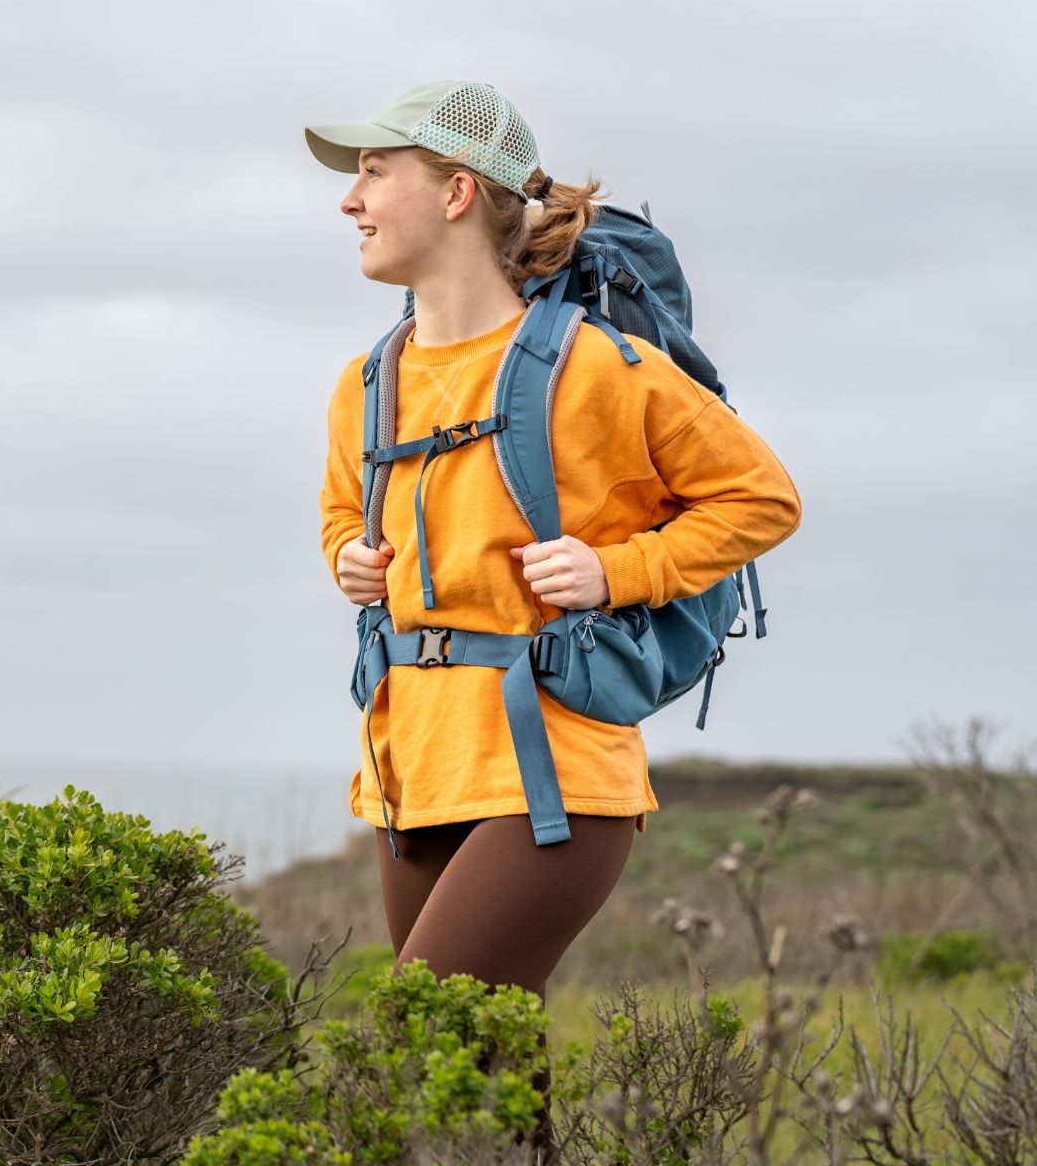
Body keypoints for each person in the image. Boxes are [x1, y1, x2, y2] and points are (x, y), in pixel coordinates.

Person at [308, 80, 801, 1155]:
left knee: (417, 1049)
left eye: (373, 171)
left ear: (453, 191)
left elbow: (762, 498)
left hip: (552, 778)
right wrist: (348, 558)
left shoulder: (594, 365)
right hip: (412, 769)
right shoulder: (366, 383)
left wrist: (620, 569)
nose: (351, 199)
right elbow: (343, 509)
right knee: (487, 1102)